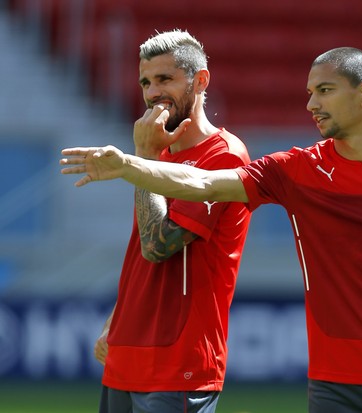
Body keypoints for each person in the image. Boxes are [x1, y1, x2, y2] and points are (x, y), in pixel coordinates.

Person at [61, 47, 362, 412]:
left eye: (324, 90)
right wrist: (131, 165)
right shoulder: (297, 170)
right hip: (333, 386)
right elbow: (204, 181)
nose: (310, 103)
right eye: (309, 92)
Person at [86, 29, 251, 413]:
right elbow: (143, 250)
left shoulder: (223, 157)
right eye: (146, 81)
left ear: (200, 80)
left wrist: (143, 156)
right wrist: (118, 316)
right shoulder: (160, 155)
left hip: (179, 364)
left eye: (165, 79)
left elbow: (158, 245)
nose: (152, 92)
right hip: (126, 356)